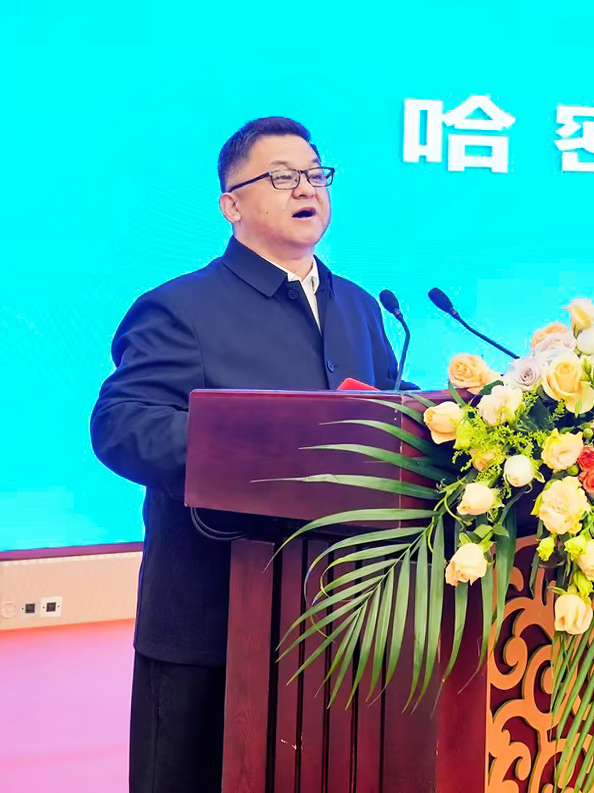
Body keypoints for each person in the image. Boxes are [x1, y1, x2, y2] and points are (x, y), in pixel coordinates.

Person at [90, 117, 403, 792]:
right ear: (231, 205)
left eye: (316, 174)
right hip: (214, 622)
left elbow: (383, 418)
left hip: (345, 618)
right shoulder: (180, 308)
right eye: (283, 177)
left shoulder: (360, 307)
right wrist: (261, 453)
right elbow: (122, 425)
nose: (307, 188)